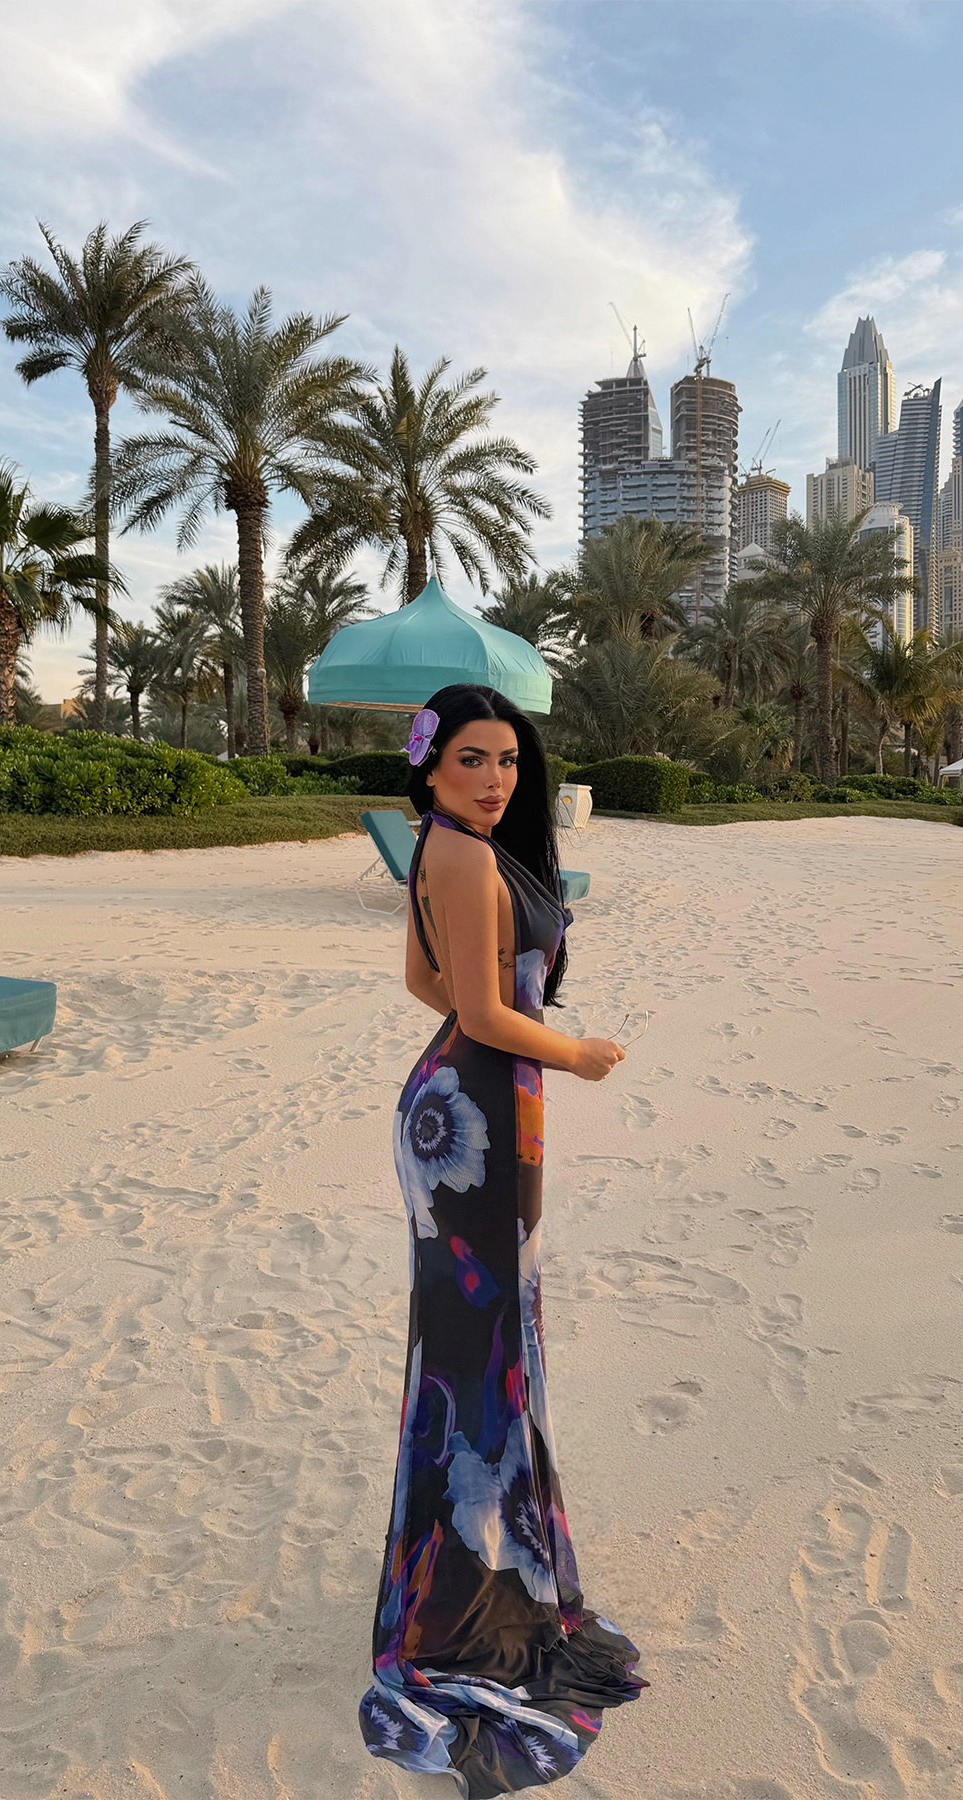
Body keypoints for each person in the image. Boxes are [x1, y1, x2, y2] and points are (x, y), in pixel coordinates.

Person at [359, 684, 647, 1796]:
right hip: (474, 1113)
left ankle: (466, 1576)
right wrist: (575, 1054)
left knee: (477, 1348)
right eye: (472, 759)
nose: (495, 779)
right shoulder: (464, 856)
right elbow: (475, 1011)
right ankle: (460, 1607)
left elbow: (422, 980)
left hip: (473, 1105)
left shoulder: (447, 849)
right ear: (430, 765)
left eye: (509, 760)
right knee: (478, 1353)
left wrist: (509, 1043)